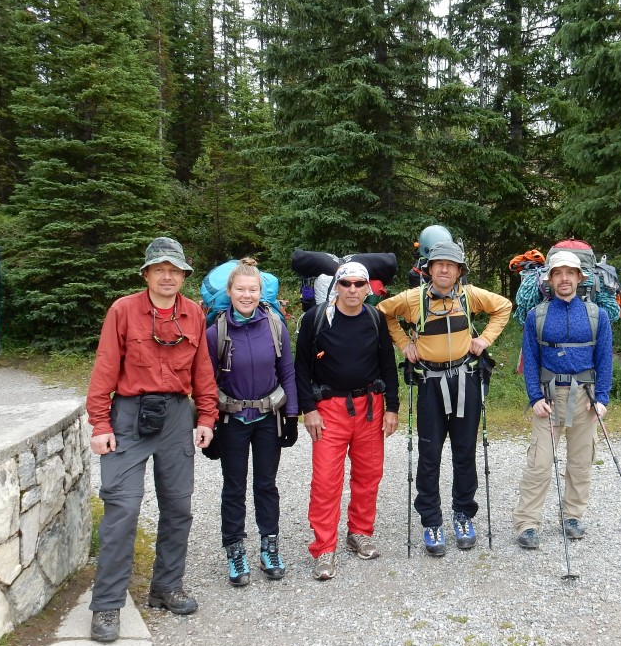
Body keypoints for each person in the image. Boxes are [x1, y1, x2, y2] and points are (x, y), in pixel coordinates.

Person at [86, 237, 217, 643]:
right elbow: (106, 365)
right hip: (128, 415)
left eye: (174, 270)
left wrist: (207, 416)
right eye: (159, 269)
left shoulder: (194, 313)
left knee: (179, 506)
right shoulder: (123, 310)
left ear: (183, 276)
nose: (166, 276)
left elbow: (202, 369)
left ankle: (166, 587)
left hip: (178, 416)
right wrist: (100, 424)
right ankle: (107, 605)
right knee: (122, 508)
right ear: (146, 274)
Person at [378, 241, 512, 556]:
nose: (443, 269)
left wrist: (484, 340)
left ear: (459, 271)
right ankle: (431, 520)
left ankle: (463, 514)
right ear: (428, 269)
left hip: (465, 379)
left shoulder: (469, 296)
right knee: (429, 454)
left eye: (450, 265)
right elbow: (383, 312)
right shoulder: (413, 299)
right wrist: (403, 344)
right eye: (438, 264)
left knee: (465, 452)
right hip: (429, 383)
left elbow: (503, 307)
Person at [295, 263, 400, 581]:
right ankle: (324, 548)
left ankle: (359, 532)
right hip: (329, 410)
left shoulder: (374, 318)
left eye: (359, 284)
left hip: (370, 407)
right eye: (347, 283)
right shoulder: (316, 319)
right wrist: (308, 409)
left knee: (369, 476)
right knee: (326, 482)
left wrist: (392, 407)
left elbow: (387, 363)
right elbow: (300, 367)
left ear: (369, 287)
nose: (353, 289)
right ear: (336, 287)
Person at [205, 258, 298, 587]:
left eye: (253, 289)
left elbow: (287, 370)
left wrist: (291, 416)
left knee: (266, 485)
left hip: (267, 419)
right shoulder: (216, 332)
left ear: (262, 292)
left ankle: (269, 546)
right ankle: (234, 550)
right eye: (241, 289)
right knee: (233, 488)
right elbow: (205, 380)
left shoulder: (274, 325)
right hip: (231, 420)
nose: (247, 295)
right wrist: (209, 422)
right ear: (229, 292)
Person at [512, 250, 613, 549]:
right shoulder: (537, 316)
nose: (565, 278)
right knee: (539, 463)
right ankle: (527, 523)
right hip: (549, 397)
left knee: (581, 462)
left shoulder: (598, 316)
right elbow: (530, 359)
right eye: (558, 273)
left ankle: (572, 516)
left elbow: (604, 359)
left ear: (580, 278)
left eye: (570, 273)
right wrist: (534, 398)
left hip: (585, 397)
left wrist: (602, 398)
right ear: (550, 279)